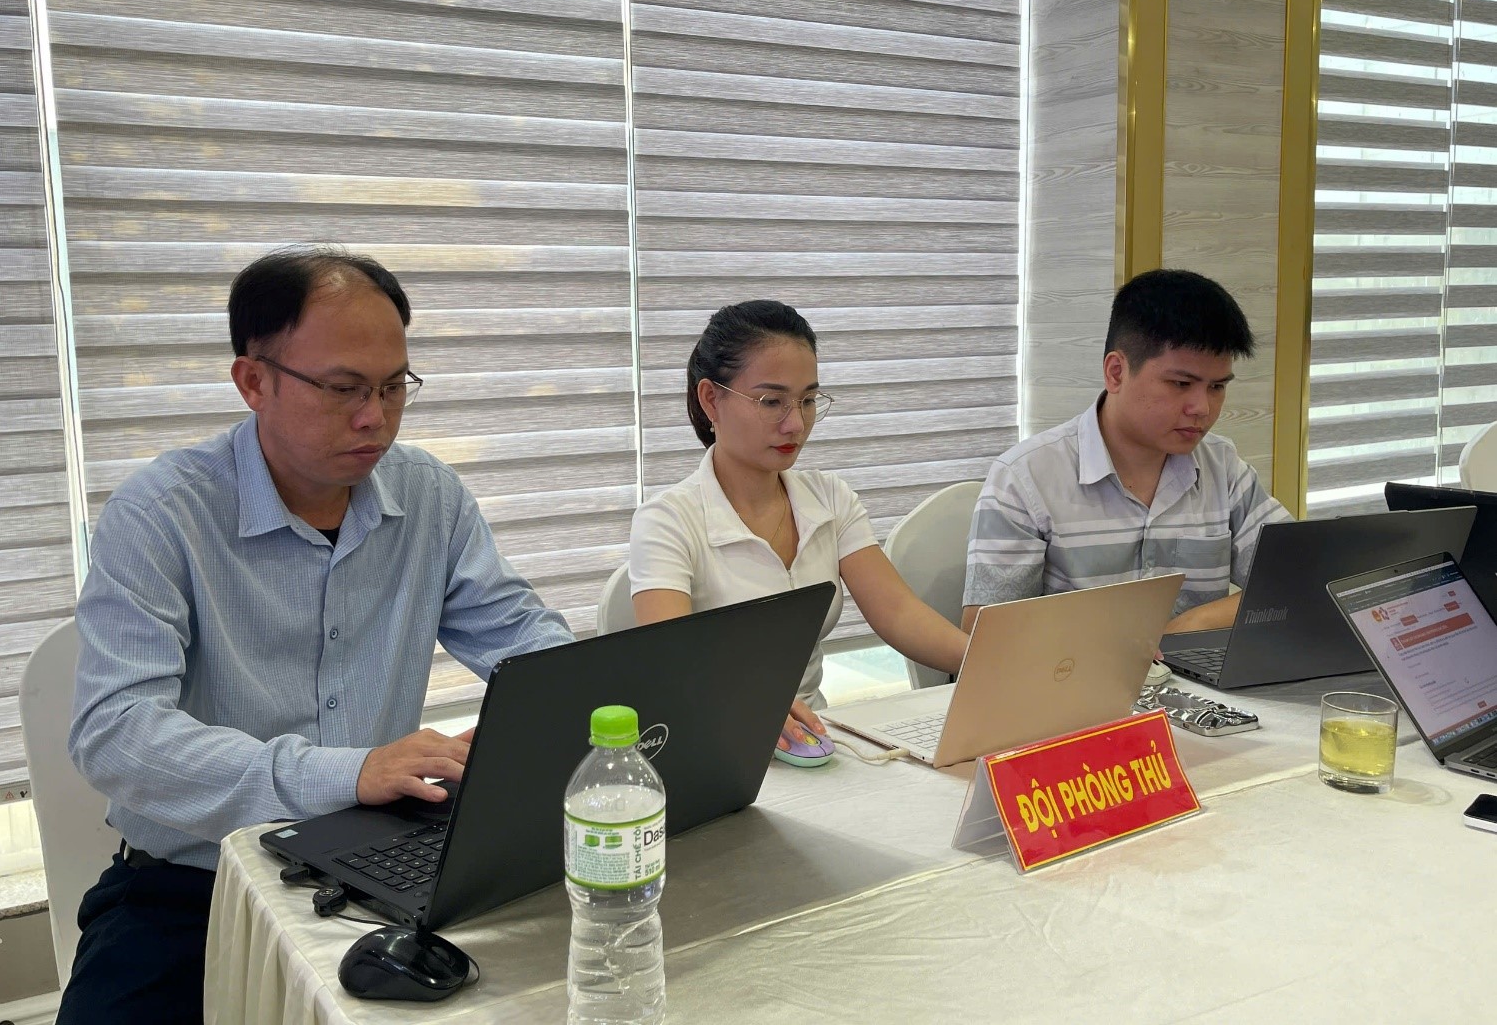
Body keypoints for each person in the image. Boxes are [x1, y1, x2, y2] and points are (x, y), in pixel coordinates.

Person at [59, 246, 573, 1023]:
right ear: (253, 381)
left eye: (393, 386)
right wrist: (347, 771)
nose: (375, 417)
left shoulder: (429, 496)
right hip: (192, 887)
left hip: (383, 869)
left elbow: (524, 641)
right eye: (343, 388)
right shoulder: (160, 516)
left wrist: (629, 699)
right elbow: (116, 732)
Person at [628, 300, 967, 752]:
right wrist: (748, 702)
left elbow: (899, 614)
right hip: (713, 738)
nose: (796, 424)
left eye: (807, 400)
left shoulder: (829, 498)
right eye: (772, 401)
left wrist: (989, 661)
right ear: (711, 399)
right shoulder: (668, 520)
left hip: (814, 737)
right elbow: (670, 659)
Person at [962, 268, 1293, 634]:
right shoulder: (1026, 477)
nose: (1202, 408)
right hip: (1074, 669)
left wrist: (1193, 622)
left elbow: (1302, 578)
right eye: (1180, 383)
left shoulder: (1222, 466)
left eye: (1216, 387)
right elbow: (986, 636)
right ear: (1116, 372)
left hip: (1192, 669)